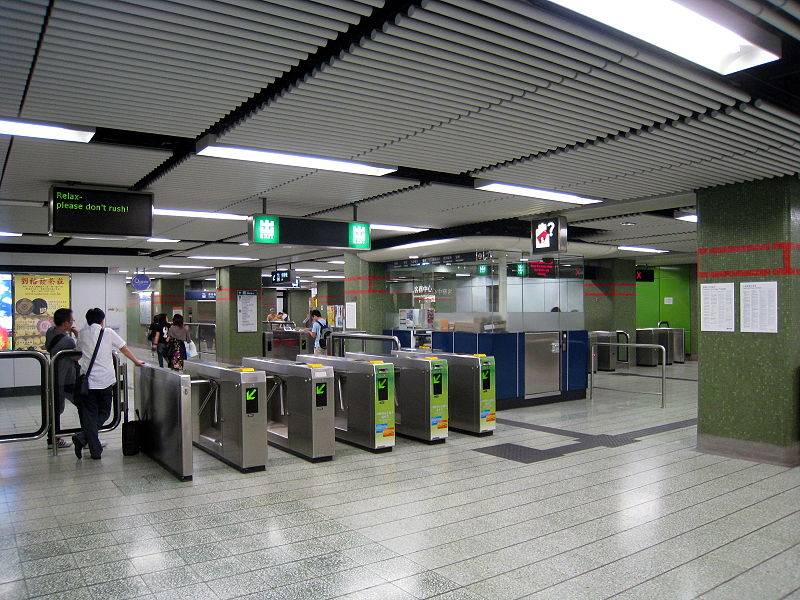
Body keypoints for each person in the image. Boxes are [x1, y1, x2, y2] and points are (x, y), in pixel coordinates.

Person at [73, 308, 145, 459]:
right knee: (105, 413)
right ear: (102, 321)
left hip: (87, 383)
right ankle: (82, 439)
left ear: (88, 320)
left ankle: (94, 450)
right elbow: (123, 348)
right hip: (105, 381)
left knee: (91, 416)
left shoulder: (82, 334)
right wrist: (136, 361)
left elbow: (78, 352)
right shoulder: (108, 332)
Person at [45, 308, 79, 449]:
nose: (73, 323)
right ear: (66, 323)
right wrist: (78, 336)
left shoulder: (50, 332)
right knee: (84, 405)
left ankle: (53, 439)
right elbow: (77, 356)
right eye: (72, 321)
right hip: (67, 379)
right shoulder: (68, 341)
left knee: (56, 409)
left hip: (54, 376)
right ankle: (88, 438)